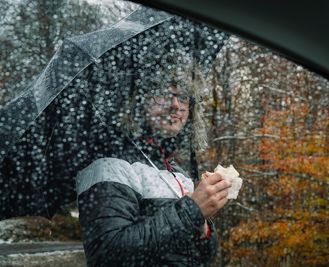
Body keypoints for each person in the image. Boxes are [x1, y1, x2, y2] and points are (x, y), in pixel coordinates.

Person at [75, 54, 232, 266]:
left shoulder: (178, 172)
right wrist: (193, 211)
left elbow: (201, 258)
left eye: (183, 96)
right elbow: (108, 253)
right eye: (162, 94)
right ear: (137, 100)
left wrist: (203, 228)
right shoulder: (109, 166)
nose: (176, 105)